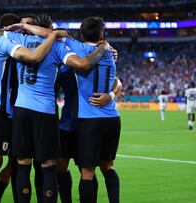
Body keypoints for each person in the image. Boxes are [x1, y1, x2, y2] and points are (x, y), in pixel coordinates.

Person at [0, 13, 110, 203]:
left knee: (23, 164)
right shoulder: (58, 47)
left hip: (22, 110)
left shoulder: (19, 39)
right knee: (49, 165)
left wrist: (20, 27)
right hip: (45, 111)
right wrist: (104, 49)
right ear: (49, 29)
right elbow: (82, 64)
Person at [0, 13, 69, 203]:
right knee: (12, 163)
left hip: (27, 109)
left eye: (28, 24)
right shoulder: (13, 42)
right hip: (12, 110)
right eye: (21, 25)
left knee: (34, 165)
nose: (24, 27)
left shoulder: (21, 42)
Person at [62, 17, 121, 203]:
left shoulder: (78, 50)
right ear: (102, 34)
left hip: (90, 119)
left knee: (87, 172)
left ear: (81, 34)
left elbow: (57, 36)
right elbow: (117, 82)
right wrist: (110, 96)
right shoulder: (110, 53)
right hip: (112, 118)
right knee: (108, 167)